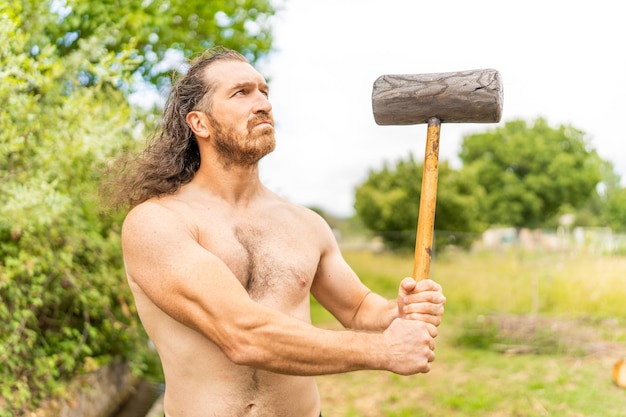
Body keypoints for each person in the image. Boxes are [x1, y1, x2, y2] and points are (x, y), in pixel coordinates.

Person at [112, 46, 446, 417]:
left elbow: (358, 308)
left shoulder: (305, 223)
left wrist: (396, 310)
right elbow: (243, 334)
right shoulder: (156, 222)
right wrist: (384, 351)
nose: (263, 104)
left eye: (264, 92)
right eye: (241, 93)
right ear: (200, 123)